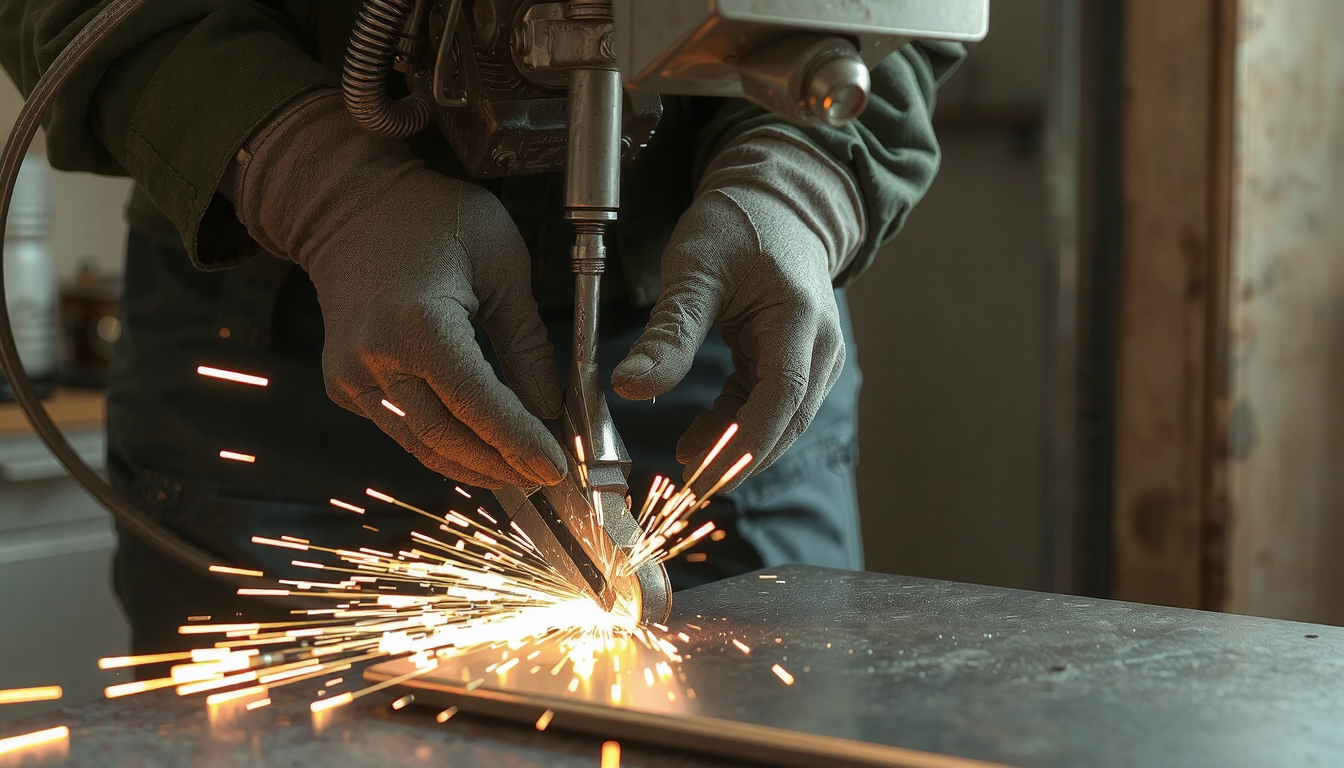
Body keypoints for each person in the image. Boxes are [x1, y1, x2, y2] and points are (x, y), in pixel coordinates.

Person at [0, 1, 964, 657]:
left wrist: (801, 178)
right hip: (284, 314)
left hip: (717, 310)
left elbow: (897, 21)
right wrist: (318, 183)